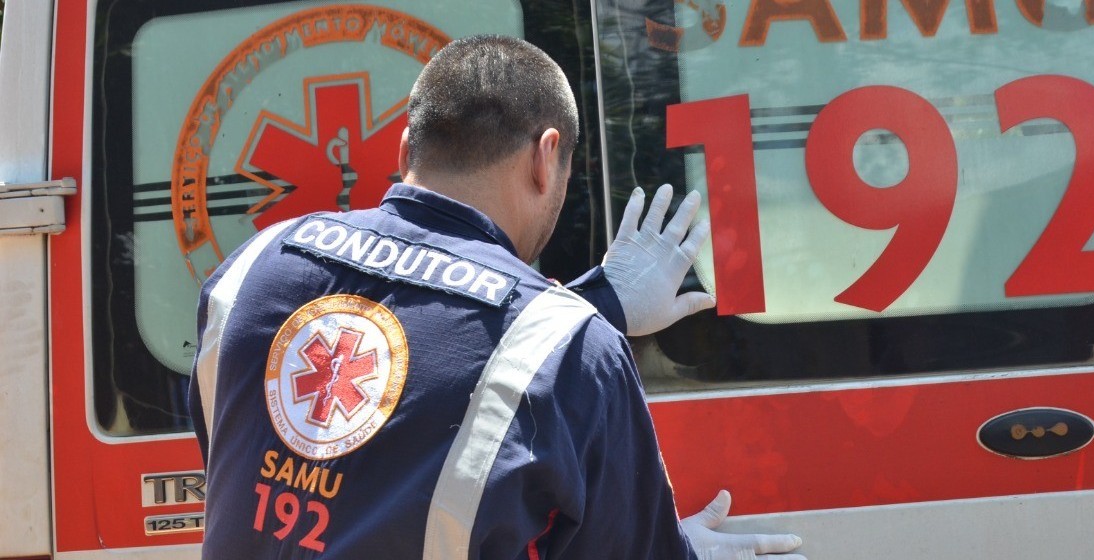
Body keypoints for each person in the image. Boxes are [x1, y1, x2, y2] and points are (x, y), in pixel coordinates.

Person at [190, 35, 805, 559]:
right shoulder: (575, 354)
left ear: (405, 149)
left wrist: (598, 306)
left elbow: (305, 443)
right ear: (545, 158)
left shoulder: (251, 268)